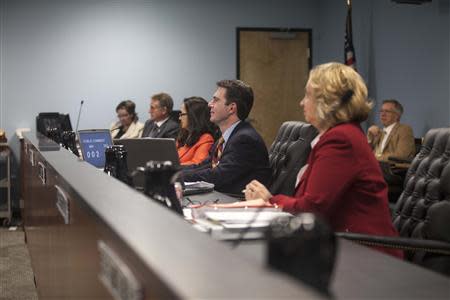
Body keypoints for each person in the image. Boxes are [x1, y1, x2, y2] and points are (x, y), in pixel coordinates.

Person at [223, 63, 402, 258]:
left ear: (328, 101)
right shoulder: (339, 135)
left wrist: (269, 200)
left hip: (366, 255)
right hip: (342, 246)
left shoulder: (341, 140)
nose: (302, 102)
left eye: (308, 95)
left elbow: (311, 209)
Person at [182, 79, 271, 195]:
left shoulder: (244, 139)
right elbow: (204, 166)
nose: (209, 104)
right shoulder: (226, 138)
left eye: (216, 100)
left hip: (237, 203)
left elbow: (217, 176)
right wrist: (171, 171)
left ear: (231, 108)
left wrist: (176, 176)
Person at [176, 97, 216, 165]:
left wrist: (171, 166)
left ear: (193, 116)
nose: (179, 118)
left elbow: (197, 164)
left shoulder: (206, 139)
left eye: (182, 114)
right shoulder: (184, 135)